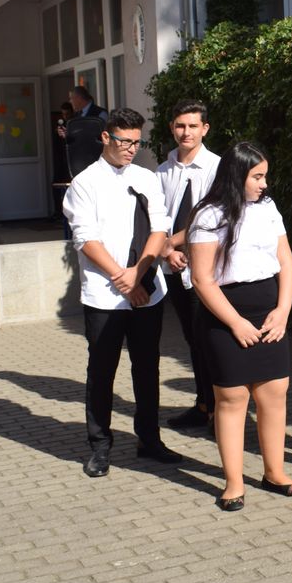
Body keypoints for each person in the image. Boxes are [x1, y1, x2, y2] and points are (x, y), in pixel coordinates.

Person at [62, 107, 182, 478]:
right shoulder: (85, 183)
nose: (131, 149)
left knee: (147, 369)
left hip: (147, 290)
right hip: (104, 295)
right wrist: (121, 277)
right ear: (105, 137)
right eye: (124, 141)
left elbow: (159, 230)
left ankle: (149, 439)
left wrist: (138, 274)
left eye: (136, 142)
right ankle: (100, 447)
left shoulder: (146, 178)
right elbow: (85, 239)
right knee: (102, 371)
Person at [188, 141, 292, 511]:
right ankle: (234, 483)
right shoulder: (208, 215)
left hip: (269, 310)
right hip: (225, 316)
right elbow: (202, 279)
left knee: (274, 393)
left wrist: (283, 310)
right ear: (237, 176)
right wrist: (235, 323)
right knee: (232, 398)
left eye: (265, 176)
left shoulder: (268, 207)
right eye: (257, 176)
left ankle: (275, 473)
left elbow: (286, 261)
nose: (264, 184)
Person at [156, 100, 221, 432]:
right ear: (172, 128)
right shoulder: (162, 171)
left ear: (204, 129)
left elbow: (211, 216)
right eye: (180, 125)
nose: (186, 132)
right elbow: (156, 219)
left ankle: (222, 411)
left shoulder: (218, 168)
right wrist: (166, 250)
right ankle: (203, 404)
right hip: (173, 268)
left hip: (207, 271)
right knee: (193, 339)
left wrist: (172, 243)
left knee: (210, 340)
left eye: (193, 126)